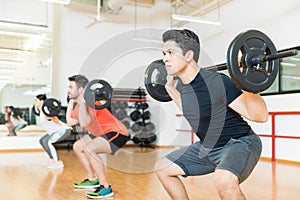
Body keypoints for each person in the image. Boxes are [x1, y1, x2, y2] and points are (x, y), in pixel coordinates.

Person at [155, 29, 268, 200]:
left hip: (239, 143)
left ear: (188, 55)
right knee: (163, 168)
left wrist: (247, 79)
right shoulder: (185, 89)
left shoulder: (216, 82)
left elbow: (260, 116)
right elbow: (190, 111)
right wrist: (170, 88)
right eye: (164, 53)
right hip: (208, 147)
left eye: (170, 52)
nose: (164, 59)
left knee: (223, 179)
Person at [66, 74, 129, 198]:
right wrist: (72, 101)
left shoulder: (92, 103)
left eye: (71, 87)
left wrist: (82, 103)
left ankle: (105, 187)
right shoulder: (77, 106)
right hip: (99, 133)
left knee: (90, 149)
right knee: (78, 146)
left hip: (116, 133)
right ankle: (92, 178)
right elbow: (69, 121)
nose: (68, 90)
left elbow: (84, 123)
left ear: (80, 90)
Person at [33, 94, 72, 169]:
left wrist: (51, 117)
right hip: (55, 132)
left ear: (41, 101)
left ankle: (58, 162)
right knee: (42, 140)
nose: (34, 102)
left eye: (36, 100)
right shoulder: (41, 111)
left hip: (64, 130)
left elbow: (56, 119)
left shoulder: (46, 110)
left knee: (48, 142)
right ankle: (51, 159)